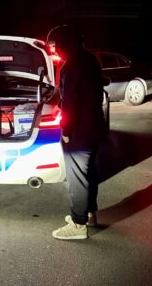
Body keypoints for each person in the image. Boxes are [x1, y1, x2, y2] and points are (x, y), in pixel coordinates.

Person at [46, 24, 106, 240]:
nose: (54, 51)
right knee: (89, 172)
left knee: (77, 177)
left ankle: (78, 224)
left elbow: (70, 102)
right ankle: (89, 214)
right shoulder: (90, 59)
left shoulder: (71, 66)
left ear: (65, 43)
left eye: (55, 46)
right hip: (95, 126)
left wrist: (65, 129)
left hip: (79, 130)